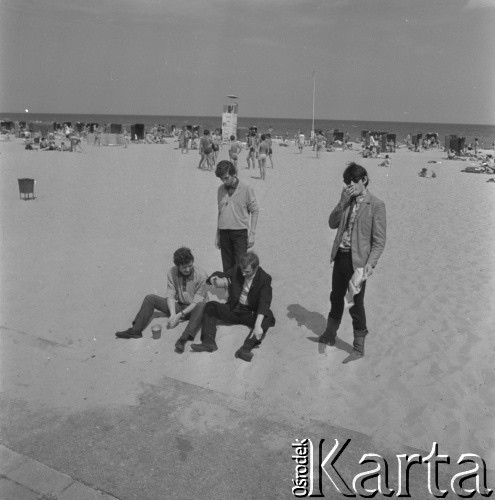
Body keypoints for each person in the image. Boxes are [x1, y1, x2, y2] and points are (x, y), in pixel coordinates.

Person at [319, 162, 386, 363]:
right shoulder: (347, 200)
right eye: (347, 182)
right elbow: (332, 223)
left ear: (364, 179)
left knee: (356, 304)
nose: (350, 186)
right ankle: (330, 334)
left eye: (353, 182)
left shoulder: (376, 205)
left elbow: (379, 241)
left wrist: (370, 263)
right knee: (335, 296)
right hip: (341, 255)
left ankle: (358, 347)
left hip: (358, 262)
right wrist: (342, 202)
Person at [115, 247, 208, 354]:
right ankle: (135, 330)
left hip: (196, 309)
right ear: (177, 266)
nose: (187, 269)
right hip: (180, 305)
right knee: (150, 298)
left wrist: (179, 316)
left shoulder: (201, 275)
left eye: (190, 266)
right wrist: (173, 314)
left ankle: (183, 339)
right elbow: (170, 294)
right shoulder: (172, 272)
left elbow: (196, 301)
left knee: (201, 305)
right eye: (184, 267)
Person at [190, 252, 275, 362]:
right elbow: (223, 274)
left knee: (266, 318)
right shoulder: (237, 269)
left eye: (247, 271)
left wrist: (258, 325)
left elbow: (265, 301)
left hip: (251, 313)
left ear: (256, 268)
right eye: (242, 270)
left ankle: (245, 349)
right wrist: (213, 278)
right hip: (235, 309)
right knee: (211, 306)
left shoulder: (265, 278)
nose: (243, 274)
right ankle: (208, 342)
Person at [215, 160, 259, 271]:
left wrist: (252, 234)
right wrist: (217, 235)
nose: (224, 181)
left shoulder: (246, 188)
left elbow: (255, 211)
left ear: (234, 174)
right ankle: (230, 289)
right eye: (221, 178)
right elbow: (220, 212)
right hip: (224, 233)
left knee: (241, 267)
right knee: (227, 268)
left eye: (226, 178)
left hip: (240, 233)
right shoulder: (220, 190)